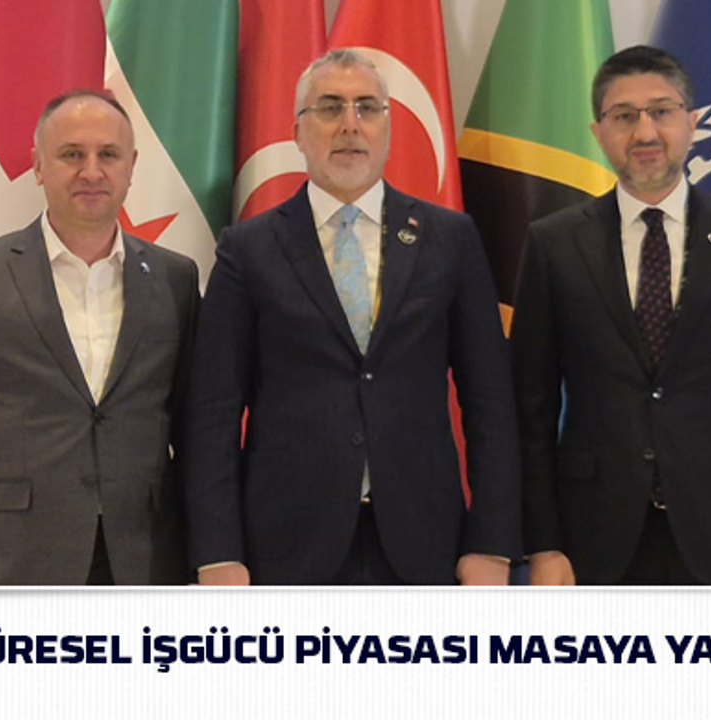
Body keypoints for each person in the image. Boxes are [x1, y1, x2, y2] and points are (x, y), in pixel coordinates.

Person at [185, 50, 519, 585]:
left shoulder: (449, 239)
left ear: (387, 126)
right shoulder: (248, 249)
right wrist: (218, 553)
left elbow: (491, 401)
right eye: (329, 108)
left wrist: (493, 544)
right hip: (284, 547)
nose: (349, 124)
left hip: (425, 543)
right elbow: (213, 412)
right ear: (297, 132)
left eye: (367, 107)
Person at [511, 46, 711, 586]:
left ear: (691, 122)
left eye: (661, 111)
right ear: (598, 132)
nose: (645, 132)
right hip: (594, 542)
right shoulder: (554, 244)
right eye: (624, 116)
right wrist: (543, 544)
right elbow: (530, 411)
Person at [0, 90, 199, 585]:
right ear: (38, 166)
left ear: (132, 167)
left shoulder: (176, 278)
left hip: (146, 561)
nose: (92, 171)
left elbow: (195, 432)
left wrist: (207, 558)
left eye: (108, 154)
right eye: (71, 154)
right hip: (15, 562)